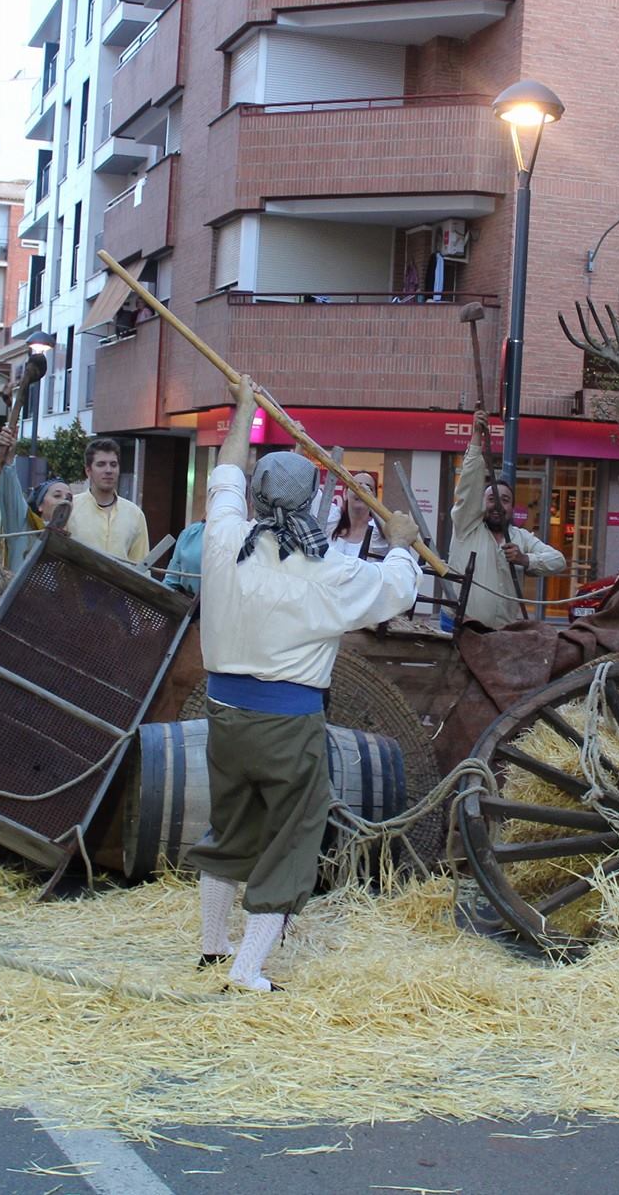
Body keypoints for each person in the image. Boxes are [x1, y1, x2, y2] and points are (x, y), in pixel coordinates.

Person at [187, 374, 420, 992]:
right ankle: (247, 968)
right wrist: (401, 544)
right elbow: (396, 591)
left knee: (229, 824)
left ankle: (214, 947)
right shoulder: (331, 572)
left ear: (262, 500)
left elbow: (227, 474)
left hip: (223, 715)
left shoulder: (223, 539)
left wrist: (243, 409)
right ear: (315, 498)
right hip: (289, 725)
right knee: (293, 834)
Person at [446, 412, 566, 628]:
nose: (499, 506)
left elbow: (558, 561)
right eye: (492, 499)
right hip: (463, 630)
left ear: (512, 507)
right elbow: (468, 486)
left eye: (505, 500)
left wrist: (525, 560)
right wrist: (476, 437)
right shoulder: (467, 527)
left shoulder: (520, 537)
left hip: (503, 637)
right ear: (482, 504)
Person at [65, 436, 149, 562]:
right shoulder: (70, 509)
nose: (108, 470)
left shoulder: (135, 514)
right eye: (101, 464)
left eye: (113, 465)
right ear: (88, 471)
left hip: (119, 582)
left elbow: (141, 566)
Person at [327, 472, 381, 559]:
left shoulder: (378, 534)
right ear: (345, 493)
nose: (361, 490)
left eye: (369, 488)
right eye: (355, 485)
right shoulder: (331, 522)